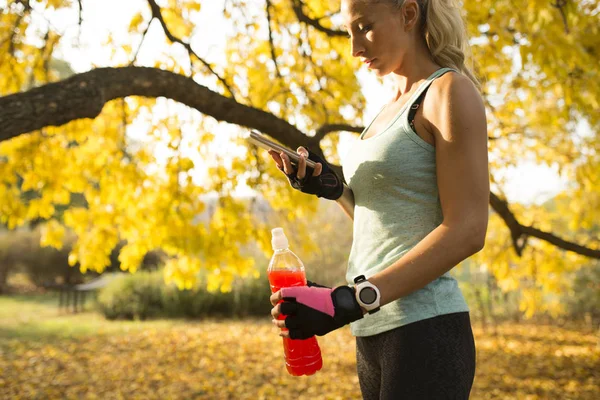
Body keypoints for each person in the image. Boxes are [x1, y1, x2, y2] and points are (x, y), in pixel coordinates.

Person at [269, 0, 489, 398]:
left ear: (408, 14)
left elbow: (469, 229)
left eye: (364, 27)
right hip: (374, 331)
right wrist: (332, 189)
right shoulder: (387, 110)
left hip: (426, 329)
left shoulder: (448, 92)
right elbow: (389, 223)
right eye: (349, 31)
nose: (354, 47)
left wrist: (352, 300)